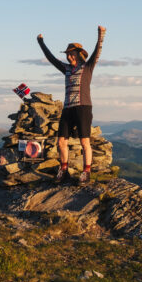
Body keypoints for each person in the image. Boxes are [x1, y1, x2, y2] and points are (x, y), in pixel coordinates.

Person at [37, 25, 106, 185]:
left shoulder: (87, 67)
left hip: (83, 108)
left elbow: (97, 52)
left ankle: (86, 171)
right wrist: (41, 42)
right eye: (68, 54)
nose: (69, 57)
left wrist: (100, 34)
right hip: (67, 109)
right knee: (61, 141)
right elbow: (51, 58)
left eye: (71, 54)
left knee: (84, 142)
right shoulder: (66, 68)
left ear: (79, 54)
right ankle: (64, 169)